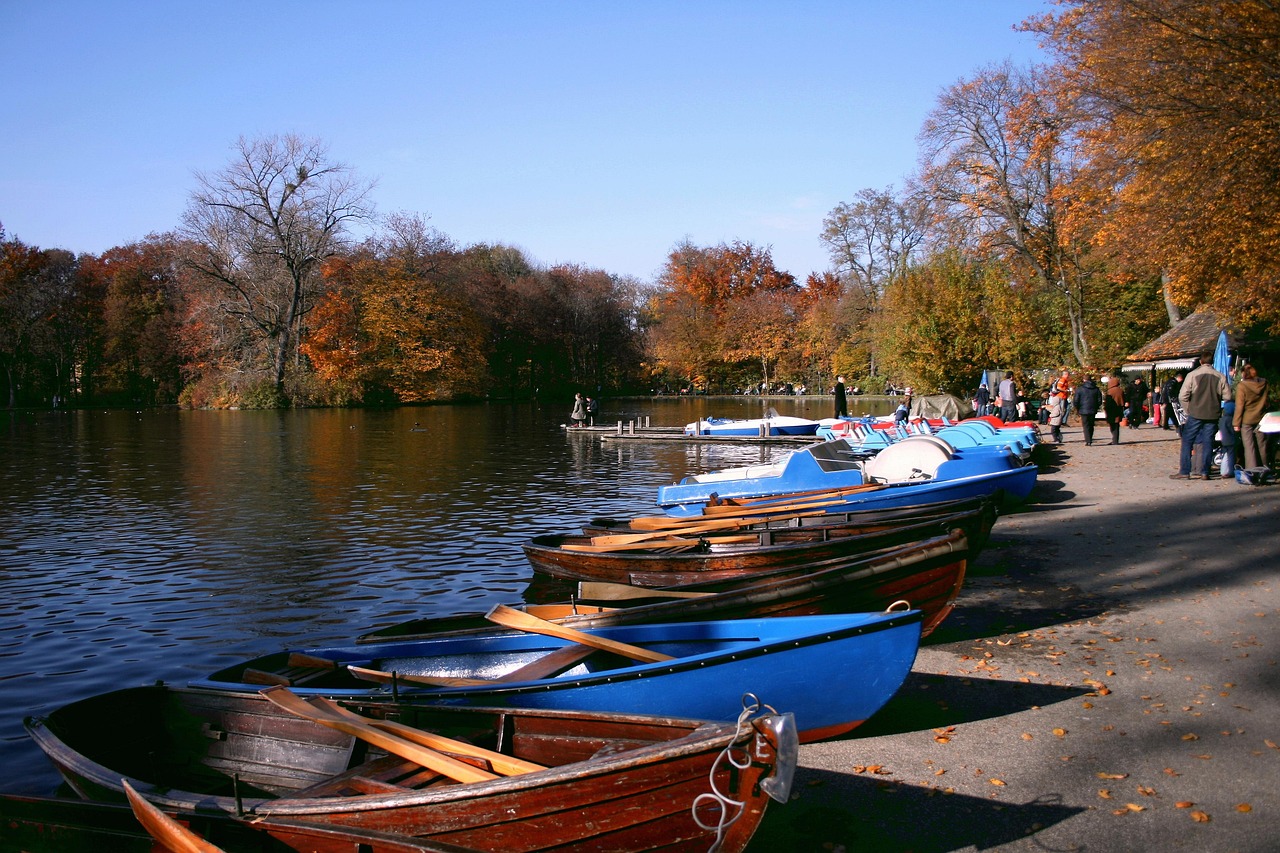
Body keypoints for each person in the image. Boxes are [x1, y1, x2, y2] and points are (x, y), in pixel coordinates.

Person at [1172, 354, 1230, 480]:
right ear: (1212, 361)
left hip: (1196, 412)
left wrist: (1189, 409)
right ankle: (1205, 471)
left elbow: (1182, 396)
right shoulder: (1220, 376)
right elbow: (1228, 396)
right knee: (1208, 441)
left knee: (1187, 440)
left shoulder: (1192, 375)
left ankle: (1185, 470)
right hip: (1212, 413)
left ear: (1200, 361)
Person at [1233, 363, 1271, 470]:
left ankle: (1252, 470)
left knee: (1249, 447)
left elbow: (1239, 406)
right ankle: (1265, 467)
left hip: (1247, 419)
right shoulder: (1264, 383)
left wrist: (1236, 423)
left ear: (1243, 374)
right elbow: (1267, 401)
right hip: (1262, 418)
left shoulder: (1242, 386)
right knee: (1262, 446)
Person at [1073, 375, 1102, 445]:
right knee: (1091, 424)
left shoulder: (1080, 389)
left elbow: (1076, 400)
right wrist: (1096, 407)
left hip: (1083, 409)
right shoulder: (1096, 389)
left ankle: (1088, 440)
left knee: (1085, 425)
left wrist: (1077, 408)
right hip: (1093, 409)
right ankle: (1090, 439)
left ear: (1084, 380)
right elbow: (1099, 400)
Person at [1103, 376, 1126, 445]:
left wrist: (1105, 407)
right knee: (1117, 425)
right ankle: (1116, 439)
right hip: (1118, 409)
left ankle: (1114, 439)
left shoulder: (1110, 391)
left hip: (1111, 410)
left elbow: (1108, 402)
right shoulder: (1120, 390)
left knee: (1112, 424)